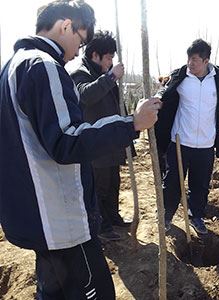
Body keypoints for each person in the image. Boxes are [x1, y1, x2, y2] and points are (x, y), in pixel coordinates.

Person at [0, 1, 160, 299]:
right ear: (65, 25)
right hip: (60, 221)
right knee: (93, 291)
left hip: (34, 216)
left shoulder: (11, 67)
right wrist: (132, 124)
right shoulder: (43, 66)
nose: (77, 51)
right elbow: (67, 140)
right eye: (80, 40)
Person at [155, 39, 219, 234]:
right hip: (180, 141)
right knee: (173, 182)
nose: (190, 64)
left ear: (206, 60)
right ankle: (166, 217)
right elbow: (163, 93)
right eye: (189, 59)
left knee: (200, 185)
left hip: (206, 143)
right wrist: (156, 102)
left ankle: (196, 216)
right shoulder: (181, 76)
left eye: (195, 60)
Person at [71, 30, 133, 242]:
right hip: (96, 143)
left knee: (113, 182)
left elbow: (116, 106)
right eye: (108, 57)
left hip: (111, 142)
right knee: (99, 186)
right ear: (95, 55)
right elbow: (87, 96)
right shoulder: (81, 74)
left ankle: (113, 216)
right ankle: (101, 226)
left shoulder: (103, 76)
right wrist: (111, 76)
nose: (111, 62)